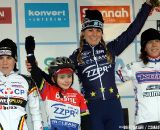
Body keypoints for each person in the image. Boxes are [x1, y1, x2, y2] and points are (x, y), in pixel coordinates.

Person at [25, 1, 159, 130]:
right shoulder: (76, 56)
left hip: (114, 108)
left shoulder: (111, 49)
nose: (94, 34)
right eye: (90, 30)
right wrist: (35, 68)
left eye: (97, 30)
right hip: (92, 109)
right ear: (83, 32)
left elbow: (132, 31)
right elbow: (55, 79)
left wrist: (147, 6)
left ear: (102, 32)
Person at [25, 36, 90, 130]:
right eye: (62, 77)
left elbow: (86, 122)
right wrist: (30, 54)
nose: (67, 80)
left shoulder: (78, 96)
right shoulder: (48, 90)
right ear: (53, 78)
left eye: (69, 76)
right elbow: (36, 74)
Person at [117, 28, 160, 130]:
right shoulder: (134, 67)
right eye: (150, 42)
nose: (154, 45)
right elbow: (109, 80)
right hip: (144, 122)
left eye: (157, 41)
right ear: (144, 47)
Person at [0, 38, 43, 130]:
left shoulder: (27, 81)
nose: (4, 62)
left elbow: (36, 114)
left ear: (15, 59)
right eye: (1, 58)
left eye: (9, 58)